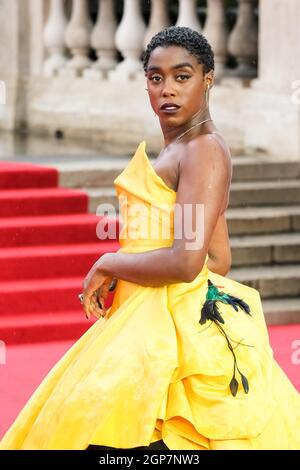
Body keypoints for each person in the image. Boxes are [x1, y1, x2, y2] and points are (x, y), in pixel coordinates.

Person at [1, 26, 300, 451]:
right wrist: (137, 270)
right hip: (149, 312)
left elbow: (186, 262)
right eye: (156, 78)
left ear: (208, 80)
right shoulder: (184, 148)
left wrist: (109, 263)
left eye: (182, 76)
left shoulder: (202, 150)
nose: (167, 90)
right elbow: (218, 258)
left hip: (167, 329)